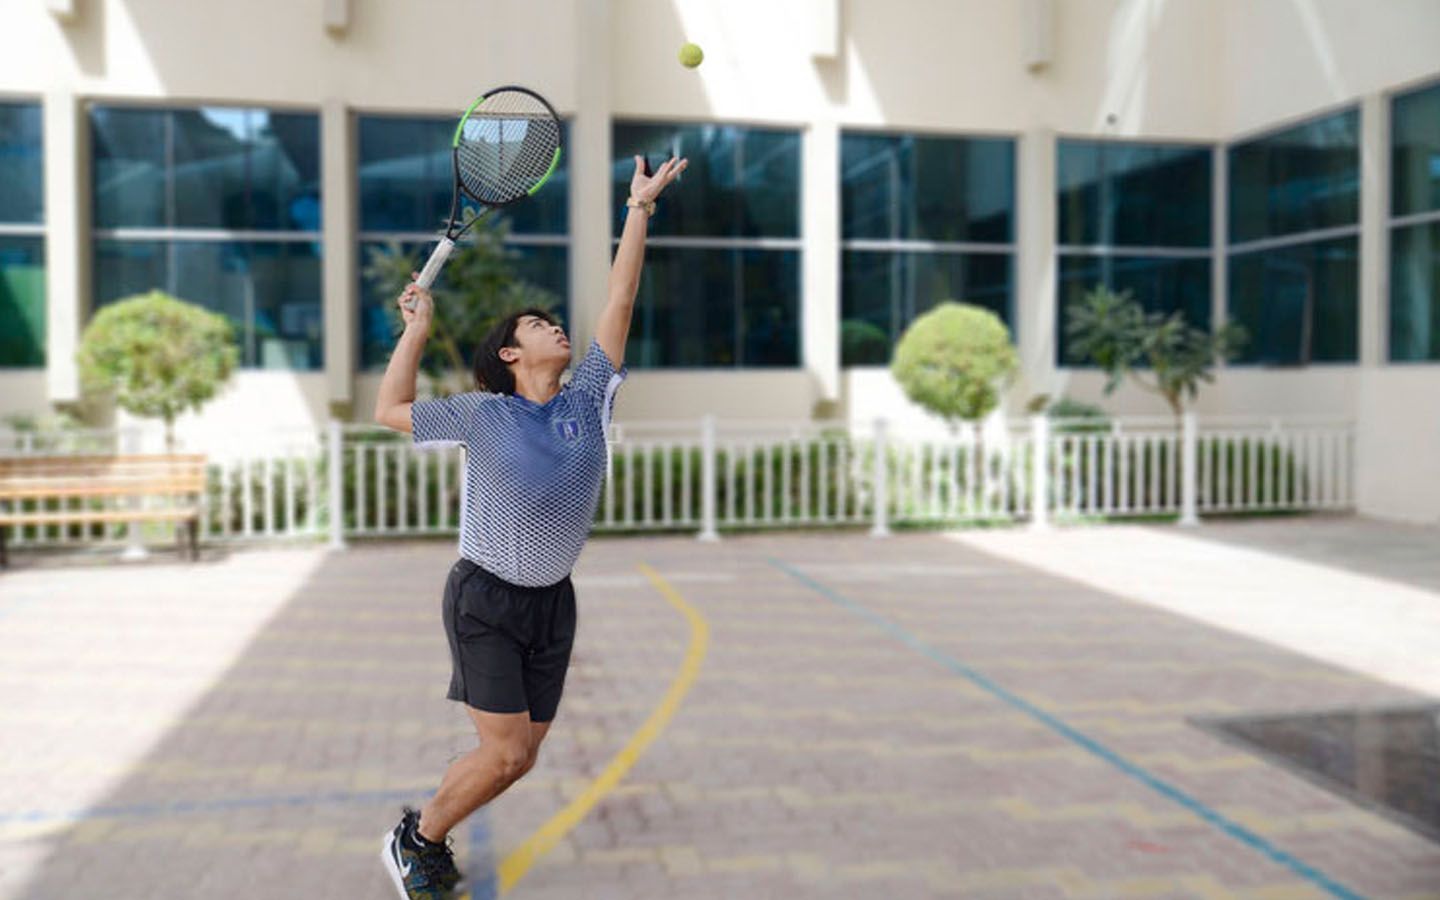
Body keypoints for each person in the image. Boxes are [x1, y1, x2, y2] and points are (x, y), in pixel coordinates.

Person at [372, 155, 687, 900]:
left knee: (518, 758)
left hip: (553, 603)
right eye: (539, 326)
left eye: (554, 321)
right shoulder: (484, 413)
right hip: (485, 598)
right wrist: (417, 330)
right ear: (511, 355)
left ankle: (427, 833)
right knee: (507, 751)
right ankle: (415, 840)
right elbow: (389, 411)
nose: (557, 328)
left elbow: (620, 299)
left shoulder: (587, 399)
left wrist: (638, 209)